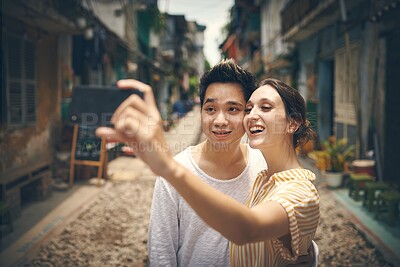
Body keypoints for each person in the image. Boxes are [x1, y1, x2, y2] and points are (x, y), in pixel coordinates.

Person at [96, 77, 320, 266]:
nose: (251, 116)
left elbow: (247, 228)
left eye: (265, 107)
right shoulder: (266, 175)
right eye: (250, 109)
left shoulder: (299, 191)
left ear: (293, 124)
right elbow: (161, 252)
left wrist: (166, 166)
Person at [148, 59, 267, 266]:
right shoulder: (175, 173)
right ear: (201, 111)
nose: (220, 121)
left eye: (232, 110)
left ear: (248, 113)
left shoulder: (264, 167)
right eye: (211, 109)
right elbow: (161, 252)